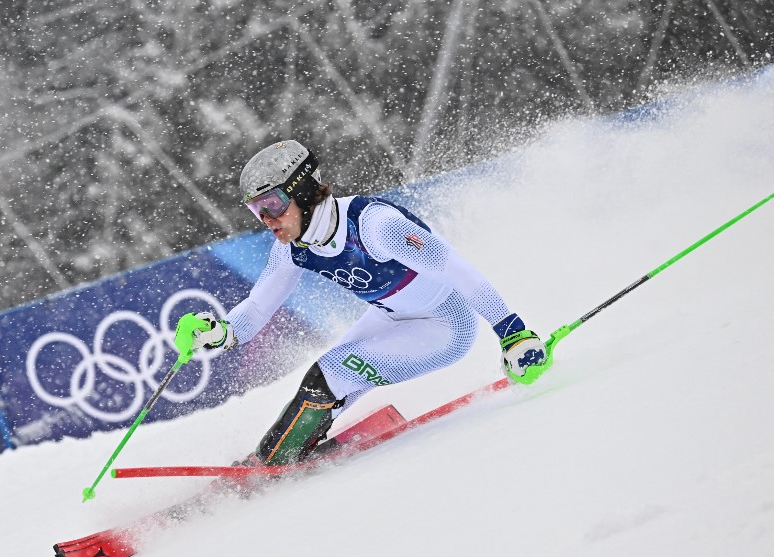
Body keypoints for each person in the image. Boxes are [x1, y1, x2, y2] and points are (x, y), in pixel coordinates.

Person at [175, 140, 549, 466]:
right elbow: (258, 308)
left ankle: (273, 459)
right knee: (329, 379)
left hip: (444, 326)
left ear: (302, 192)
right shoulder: (291, 249)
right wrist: (219, 334)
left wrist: (513, 333)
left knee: (330, 373)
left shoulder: (374, 225)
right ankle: (287, 451)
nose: (267, 219)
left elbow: (457, 271)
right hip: (391, 316)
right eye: (257, 210)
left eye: (272, 204)